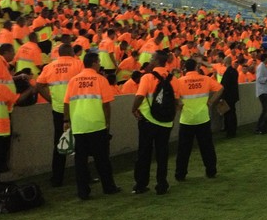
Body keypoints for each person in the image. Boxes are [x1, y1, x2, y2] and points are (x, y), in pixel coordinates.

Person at [63, 52, 120, 200]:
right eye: (99, 61)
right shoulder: (100, 80)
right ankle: (108, 187)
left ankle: (83, 192)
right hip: (96, 124)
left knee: (80, 162)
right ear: (94, 63)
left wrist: (66, 121)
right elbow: (106, 105)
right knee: (102, 159)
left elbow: (66, 103)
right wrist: (108, 123)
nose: (100, 64)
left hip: (79, 125)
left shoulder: (73, 80)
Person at [131, 50, 178, 195]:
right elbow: (175, 101)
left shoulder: (147, 77)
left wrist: (133, 110)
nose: (150, 60)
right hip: (165, 122)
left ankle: (141, 184)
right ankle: (162, 184)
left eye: (152, 58)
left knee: (144, 152)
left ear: (157, 61)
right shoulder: (173, 79)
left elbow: (139, 97)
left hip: (148, 120)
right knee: (162, 153)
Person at [37, 43, 84, 187]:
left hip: (58, 110)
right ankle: (83, 177)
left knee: (59, 143)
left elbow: (39, 85)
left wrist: (51, 99)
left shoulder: (49, 66)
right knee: (81, 144)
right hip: (76, 108)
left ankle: (57, 179)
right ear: (71, 52)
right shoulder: (78, 64)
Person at [174, 58, 222, 181]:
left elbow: (175, 97)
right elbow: (221, 88)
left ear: (185, 68)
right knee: (207, 147)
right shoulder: (205, 79)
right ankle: (211, 171)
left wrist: (179, 106)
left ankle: (180, 174)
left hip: (187, 119)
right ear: (196, 67)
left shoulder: (179, 81)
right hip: (203, 118)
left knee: (184, 149)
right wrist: (211, 102)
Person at [220, 56, 239, 138]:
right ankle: (232, 129)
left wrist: (222, 97)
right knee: (232, 113)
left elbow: (224, 85)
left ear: (225, 62)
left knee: (229, 114)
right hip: (233, 96)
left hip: (228, 96)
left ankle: (230, 131)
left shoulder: (228, 72)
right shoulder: (234, 71)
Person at [254, 52, 267, 134]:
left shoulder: (264, 67)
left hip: (266, 90)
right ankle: (260, 128)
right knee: (265, 110)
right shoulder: (261, 67)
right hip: (263, 91)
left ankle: (265, 128)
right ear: (265, 59)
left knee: (266, 110)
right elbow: (259, 79)